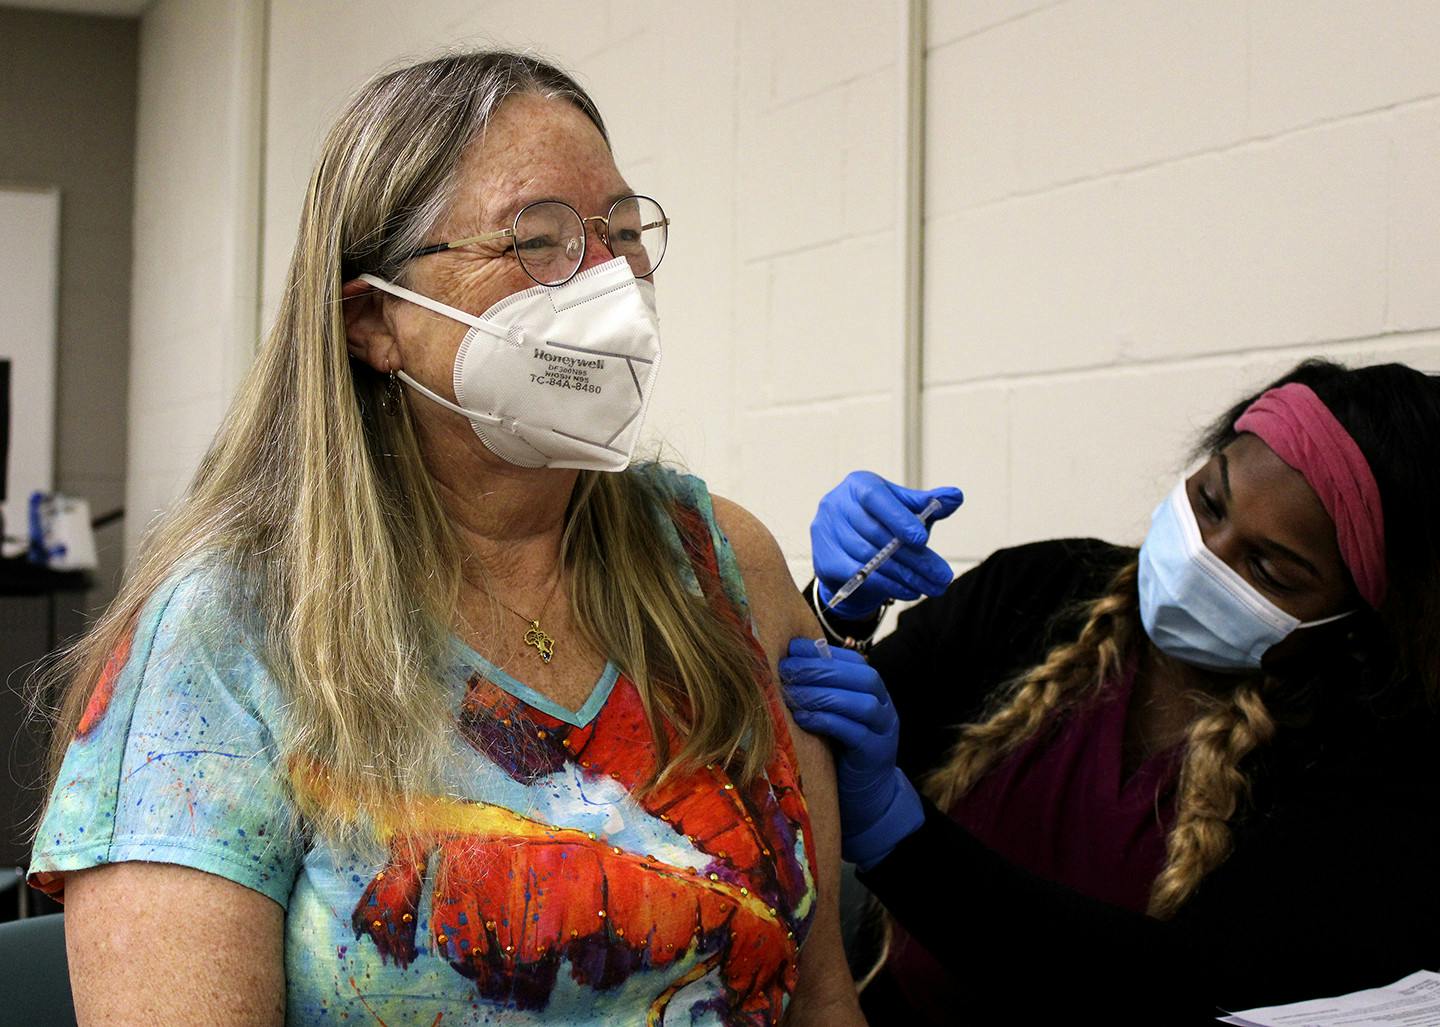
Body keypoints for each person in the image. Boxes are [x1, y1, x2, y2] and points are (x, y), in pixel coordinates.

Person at [27, 51, 862, 1027]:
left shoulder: (721, 566)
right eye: (538, 239)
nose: (611, 286)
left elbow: (822, 994)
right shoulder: (224, 636)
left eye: (624, 234)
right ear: (374, 320)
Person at [781, 359, 1440, 1023]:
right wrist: (839, 615)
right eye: (1210, 502)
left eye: (1267, 567)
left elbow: (1166, 983)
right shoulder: (1039, 591)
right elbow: (801, 751)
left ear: (1354, 619)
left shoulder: (1369, 769)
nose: (1206, 553)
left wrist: (903, 839)